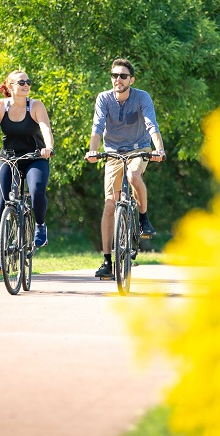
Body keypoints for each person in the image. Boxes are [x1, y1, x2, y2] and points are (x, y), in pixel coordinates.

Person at [85, 58, 166, 279]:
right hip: (112, 153)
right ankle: (106, 261)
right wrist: (93, 151)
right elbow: (97, 126)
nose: (117, 79)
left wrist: (159, 149)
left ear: (131, 79)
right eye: (114, 75)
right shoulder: (103, 98)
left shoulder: (142, 97)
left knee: (132, 175)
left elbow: (151, 124)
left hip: (139, 149)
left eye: (122, 76)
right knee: (110, 204)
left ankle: (143, 219)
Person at [0, 70, 55, 274]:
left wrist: (48, 147)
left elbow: (46, 128)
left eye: (28, 81)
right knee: (2, 203)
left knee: (37, 190)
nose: (26, 85)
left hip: (35, 157)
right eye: (21, 82)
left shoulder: (36, 105)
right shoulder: (0, 106)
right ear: (10, 86)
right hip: (8, 158)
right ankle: (2, 258)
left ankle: (40, 226)